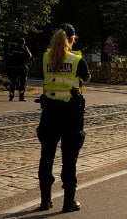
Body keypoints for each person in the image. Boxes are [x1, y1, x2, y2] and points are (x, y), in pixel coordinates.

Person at [36, 23, 91, 212]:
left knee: (46, 157)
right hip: (71, 114)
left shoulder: (45, 58)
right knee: (69, 159)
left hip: (49, 113)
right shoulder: (76, 60)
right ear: (71, 40)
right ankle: (68, 202)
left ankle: (45, 201)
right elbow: (86, 78)